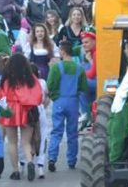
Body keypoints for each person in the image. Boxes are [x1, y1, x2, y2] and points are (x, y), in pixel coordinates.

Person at [0, 54, 43, 181]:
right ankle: (30, 162)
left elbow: (0, 96)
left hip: (10, 110)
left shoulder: (6, 80)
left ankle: (16, 171)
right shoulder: (31, 79)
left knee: (12, 142)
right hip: (27, 109)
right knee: (26, 142)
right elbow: (39, 96)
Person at [47, 40, 87, 172]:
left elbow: (50, 85)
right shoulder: (79, 68)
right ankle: (71, 161)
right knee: (72, 133)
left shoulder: (56, 67)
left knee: (56, 131)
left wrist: (54, 97)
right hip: (73, 102)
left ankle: (52, 158)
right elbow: (83, 87)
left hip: (59, 101)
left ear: (62, 52)